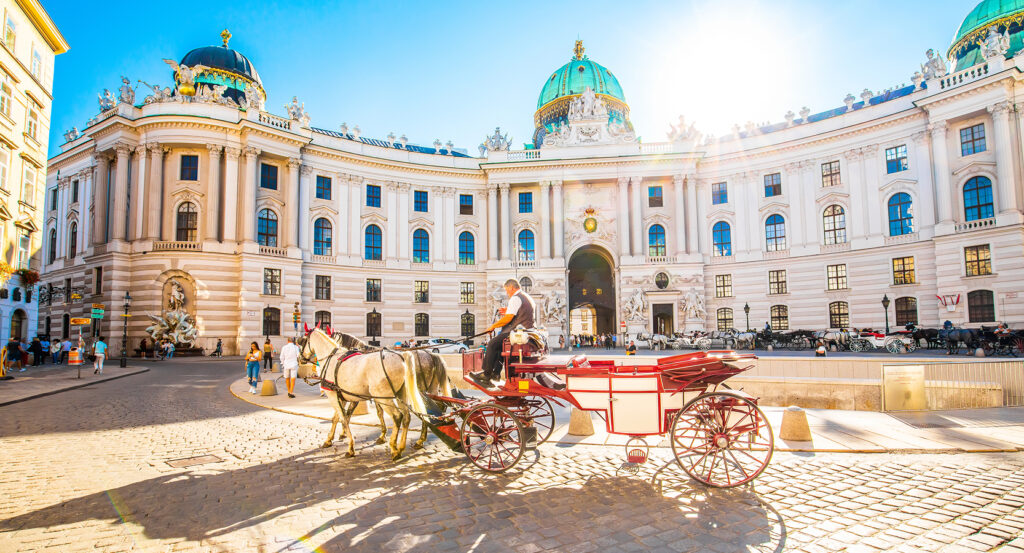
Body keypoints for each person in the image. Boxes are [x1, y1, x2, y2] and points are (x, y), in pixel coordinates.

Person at [467, 278, 536, 388]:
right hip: (526, 331)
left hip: (517, 332)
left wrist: (493, 327)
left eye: (507, 290)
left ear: (511, 287)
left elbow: (508, 318)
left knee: (492, 344)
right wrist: (507, 310)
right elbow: (517, 313)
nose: (506, 293)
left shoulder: (515, 298)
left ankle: (486, 374)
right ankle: (496, 374)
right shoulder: (526, 297)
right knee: (499, 346)